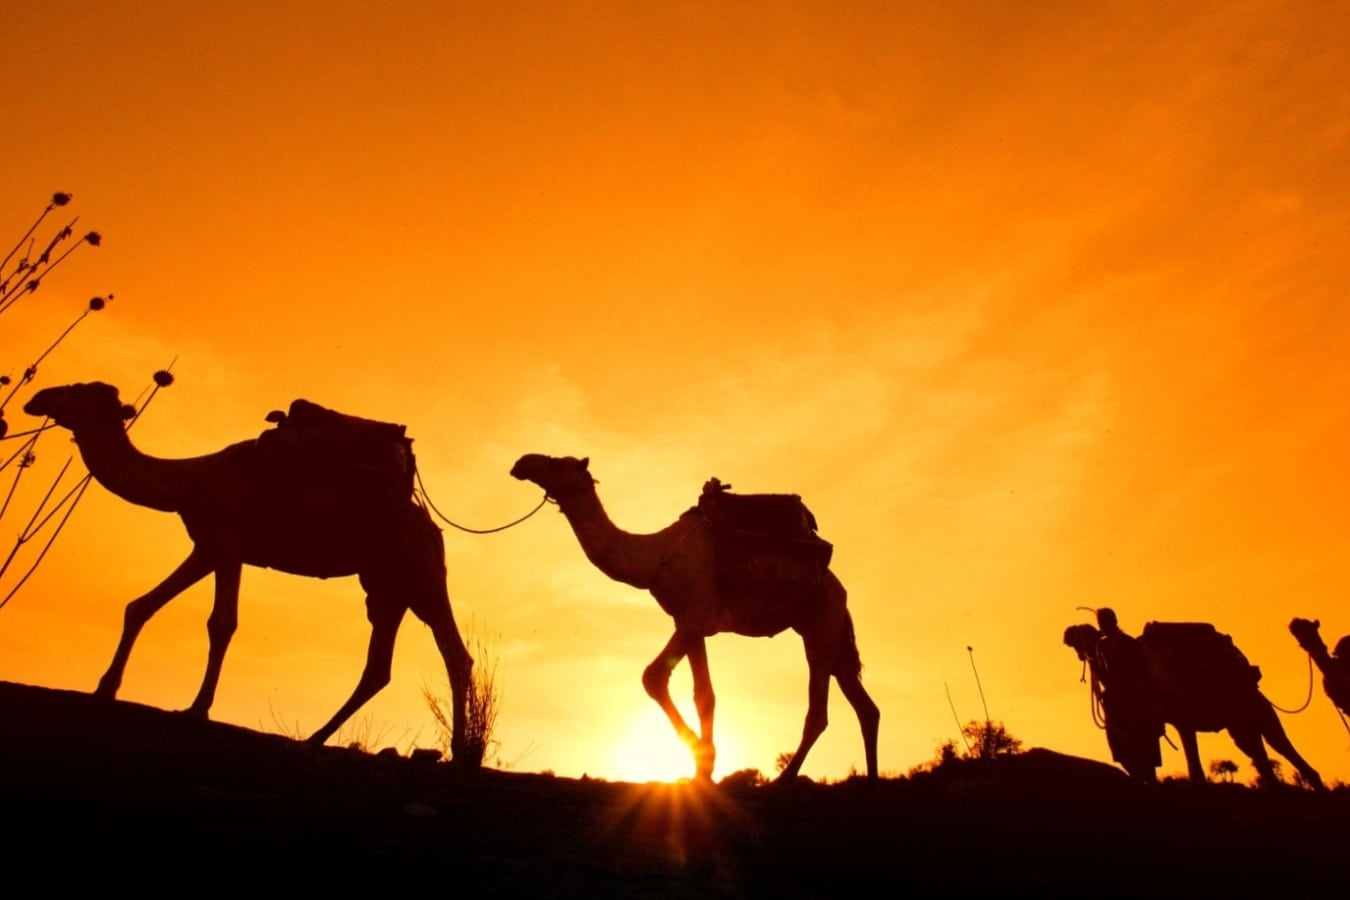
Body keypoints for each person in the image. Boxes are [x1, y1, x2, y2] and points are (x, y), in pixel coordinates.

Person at [1093, 608, 1164, 782]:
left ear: (1114, 621)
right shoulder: (1100, 646)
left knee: (1141, 751)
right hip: (1116, 704)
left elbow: (1136, 674)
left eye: (1105, 621)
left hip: (1135, 703)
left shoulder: (1128, 644)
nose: (1103, 625)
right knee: (1122, 750)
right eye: (1100, 622)